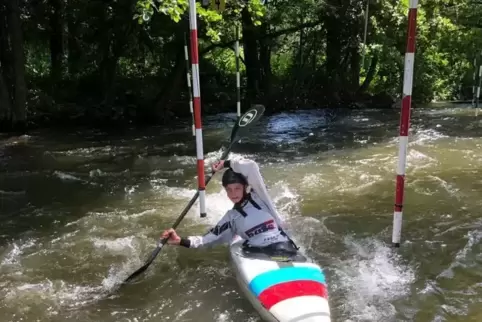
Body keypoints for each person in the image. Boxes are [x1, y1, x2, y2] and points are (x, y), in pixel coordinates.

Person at [160, 157, 298, 254]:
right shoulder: (231, 218)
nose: (233, 194)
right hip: (258, 252)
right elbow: (208, 239)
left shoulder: (260, 197)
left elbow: (251, 167)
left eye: (237, 188)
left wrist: (225, 163)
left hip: (284, 244)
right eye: (229, 190)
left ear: (245, 187)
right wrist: (180, 241)